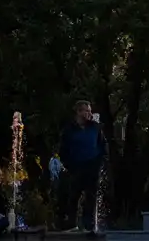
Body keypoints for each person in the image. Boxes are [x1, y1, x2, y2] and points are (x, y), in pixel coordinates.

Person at [57, 100, 106, 235]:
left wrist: (99, 162)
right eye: (87, 110)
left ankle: (89, 225)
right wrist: (69, 165)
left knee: (91, 197)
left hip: (92, 166)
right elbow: (63, 150)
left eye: (90, 110)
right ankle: (71, 223)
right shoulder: (69, 129)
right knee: (73, 195)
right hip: (76, 167)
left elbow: (102, 145)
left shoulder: (96, 127)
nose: (90, 113)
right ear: (79, 112)